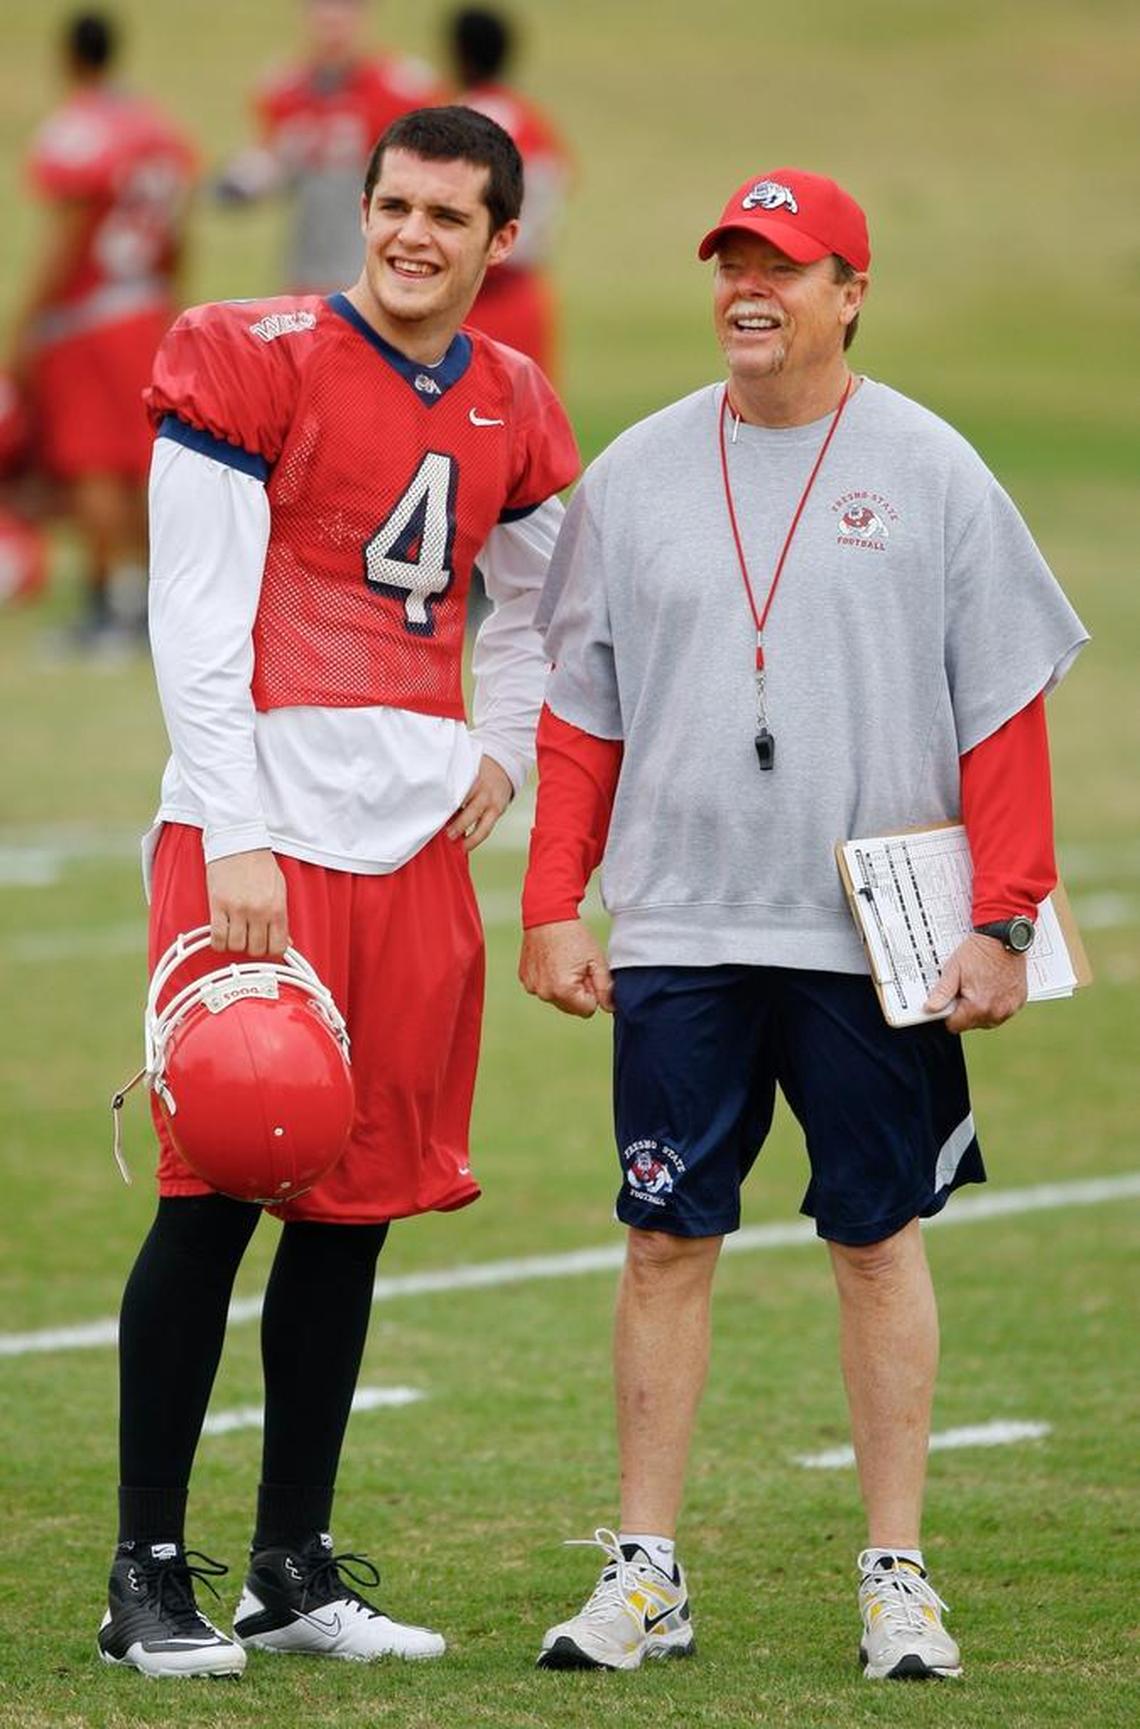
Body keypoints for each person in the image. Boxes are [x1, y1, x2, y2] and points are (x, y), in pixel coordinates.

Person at [519, 167, 1087, 1680]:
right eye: (729, 265)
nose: (747, 291)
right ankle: (646, 1570)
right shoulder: (635, 473)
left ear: (851, 290)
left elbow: (1004, 713)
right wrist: (550, 901)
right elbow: (580, 715)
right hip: (683, 927)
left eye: (781, 265)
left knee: (876, 1238)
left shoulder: (937, 470)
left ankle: (898, 1575)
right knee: (662, 1237)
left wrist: (1007, 917)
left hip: (870, 938)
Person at [97, 104, 578, 1679]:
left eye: (451, 214)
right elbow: (195, 611)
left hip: (410, 846)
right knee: (216, 1182)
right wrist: (232, 830)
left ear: (502, 238)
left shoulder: (514, 397)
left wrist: (496, 749)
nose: (413, 236)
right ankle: (146, 1574)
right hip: (262, 841)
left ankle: (291, 1567)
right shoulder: (256, 353)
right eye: (394, 204)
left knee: (355, 1208)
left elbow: (531, 608)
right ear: (360, 207)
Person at [8, 11, 196, 651]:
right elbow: (179, 231)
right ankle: (143, 598)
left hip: (89, 314)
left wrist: (28, 323)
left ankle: (111, 604)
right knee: (141, 459)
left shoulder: (77, 130)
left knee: (88, 462)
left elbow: (64, 242)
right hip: (145, 304)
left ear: (68, 59)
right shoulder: (158, 129)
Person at [215, 0, 446, 294]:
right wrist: (244, 179)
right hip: (305, 272)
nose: (332, 18)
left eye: (345, 7)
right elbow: (272, 161)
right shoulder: (284, 90)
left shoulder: (404, 91)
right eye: (321, 6)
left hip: (379, 273)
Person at [448, 7, 571, 379]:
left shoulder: (458, 123)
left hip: (473, 296)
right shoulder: (530, 119)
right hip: (524, 295)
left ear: (459, 53)